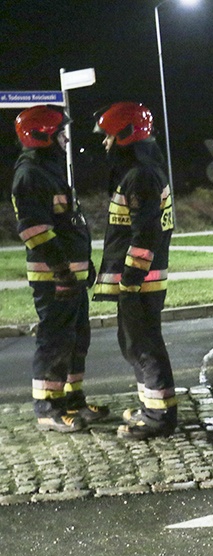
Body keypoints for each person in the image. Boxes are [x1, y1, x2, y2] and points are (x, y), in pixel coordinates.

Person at [10, 104, 109, 432]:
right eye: (60, 133)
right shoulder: (30, 175)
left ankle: (72, 399)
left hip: (71, 275)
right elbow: (33, 230)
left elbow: (68, 224)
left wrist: (84, 265)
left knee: (77, 338)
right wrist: (63, 272)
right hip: (54, 279)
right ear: (42, 136)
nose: (66, 139)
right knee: (54, 340)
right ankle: (48, 409)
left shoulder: (51, 170)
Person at [92, 102, 177, 440]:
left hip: (140, 281)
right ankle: (151, 407)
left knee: (143, 346)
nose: (105, 143)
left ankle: (159, 417)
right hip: (143, 278)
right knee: (134, 343)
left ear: (126, 135)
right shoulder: (142, 171)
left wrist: (131, 279)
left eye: (109, 136)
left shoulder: (140, 176)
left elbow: (146, 234)